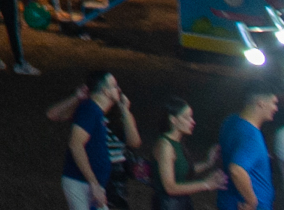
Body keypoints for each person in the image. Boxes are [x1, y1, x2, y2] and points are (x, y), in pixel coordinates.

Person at [52, 71, 141, 210]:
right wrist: (93, 183)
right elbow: (75, 144)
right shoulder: (90, 109)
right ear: (105, 91)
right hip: (82, 181)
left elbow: (134, 141)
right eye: (115, 86)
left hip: (93, 182)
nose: (119, 89)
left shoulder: (96, 112)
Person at [149, 99, 224, 204]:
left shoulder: (177, 143)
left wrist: (208, 163)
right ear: (173, 120)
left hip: (179, 203)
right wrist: (206, 184)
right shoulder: (165, 146)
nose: (192, 122)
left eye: (191, 117)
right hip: (167, 204)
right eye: (186, 117)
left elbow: (183, 171)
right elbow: (170, 188)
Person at [220, 89, 281, 210]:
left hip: (227, 200)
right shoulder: (251, 137)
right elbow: (236, 169)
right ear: (261, 103)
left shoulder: (231, 121)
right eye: (274, 103)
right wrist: (251, 201)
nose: (276, 108)